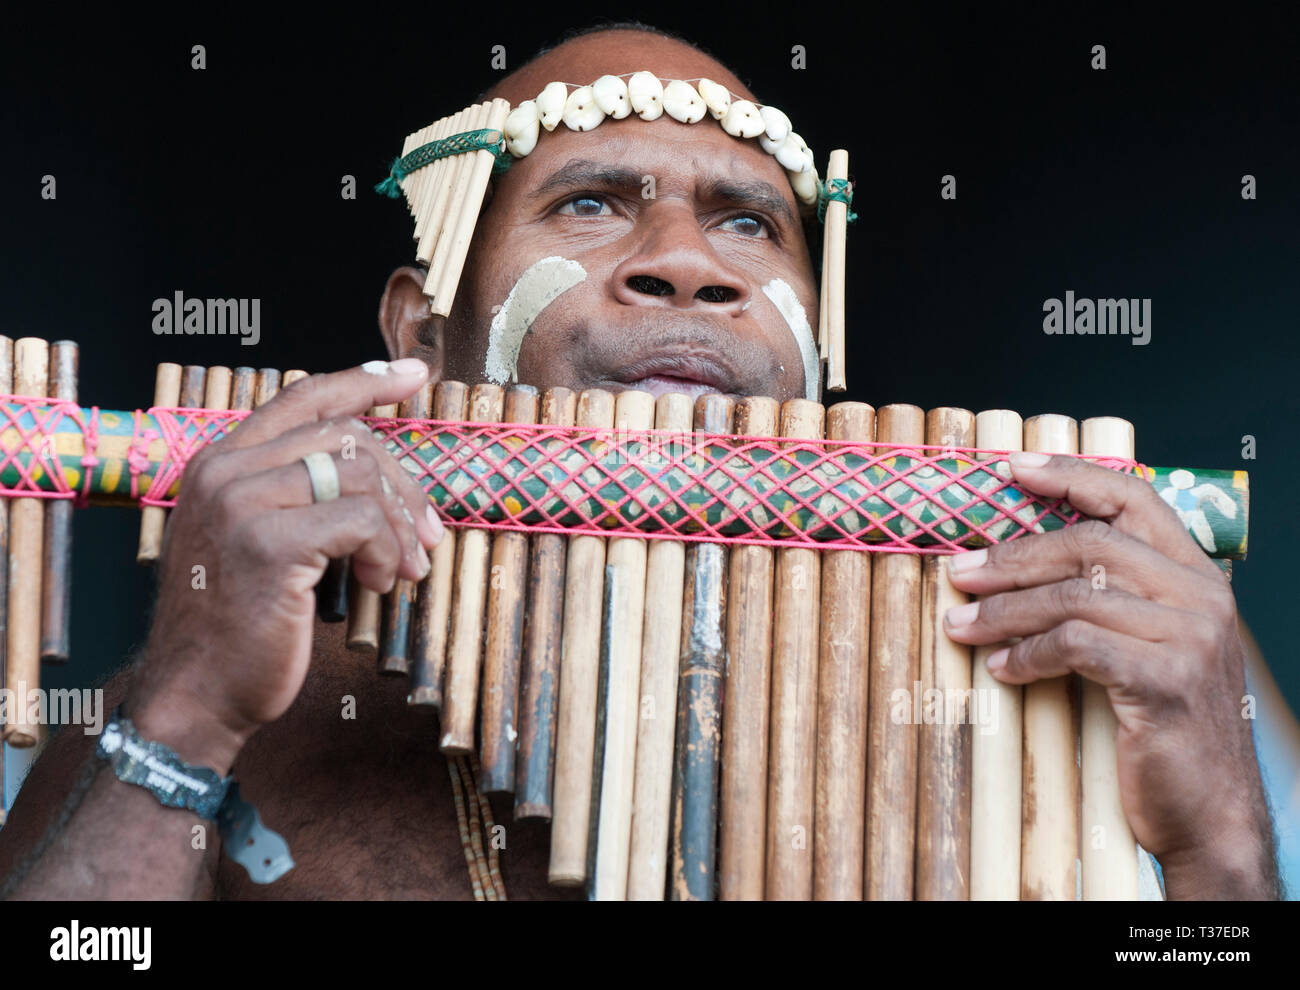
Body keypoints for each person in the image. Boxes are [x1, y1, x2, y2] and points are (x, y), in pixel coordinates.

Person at [0, 23, 1281, 900]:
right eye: (594, 202)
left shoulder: (1043, 692)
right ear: (420, 333)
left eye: (746, 222)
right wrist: (179, 724)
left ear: (817, 354)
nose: (690, 260)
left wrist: (1224, 853)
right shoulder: (207, 727)